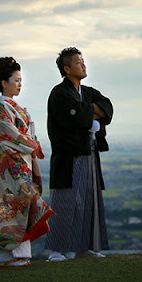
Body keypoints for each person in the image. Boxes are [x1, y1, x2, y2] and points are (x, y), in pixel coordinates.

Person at [0, 57, 53, 268]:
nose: (20, 84)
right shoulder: (0, 108)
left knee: (11, 208)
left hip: (18, 164)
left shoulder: (12, 108)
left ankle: (7, 257)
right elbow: (11, 135)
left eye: (21, 80)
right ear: (4, 82)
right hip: (10, 167)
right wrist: (33, 146)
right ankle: (14, 256)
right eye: (16, 80)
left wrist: (30, 146)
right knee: (13, 207)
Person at [44, 47, 113, 261]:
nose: (83, 64)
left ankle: (84, 248)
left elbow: (107, 108)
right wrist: (90, 116)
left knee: (89, 200)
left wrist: (87, 113)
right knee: (65, 201)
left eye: (83, 61)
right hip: (69, 155)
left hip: (90, 153)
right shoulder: (60, 93)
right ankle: (56, 249)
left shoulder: (88, 91)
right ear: (66, 69)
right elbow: (70, 120)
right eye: (77, 62)